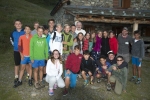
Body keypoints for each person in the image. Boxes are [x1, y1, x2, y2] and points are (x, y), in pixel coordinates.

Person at [10, 19, 25, 87]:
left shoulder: (24, 31)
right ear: (14, 25)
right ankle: (16, 77)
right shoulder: (13, 32)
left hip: (24, 51)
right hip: (16, 50)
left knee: (24, 63)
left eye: (19, 23)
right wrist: (16, 46)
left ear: (21, 24)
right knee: (17, 64)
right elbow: (11, 40)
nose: (18, 25)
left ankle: (25, 75)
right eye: (16, 24)